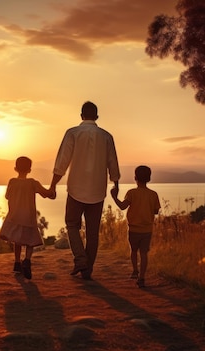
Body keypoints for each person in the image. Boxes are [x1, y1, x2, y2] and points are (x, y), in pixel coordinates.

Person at [49, 101, 120, 280]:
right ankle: (87, 270)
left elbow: (62, 162)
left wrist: (53, 184)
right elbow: (113, 162)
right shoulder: (106, 136)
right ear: (96, 116)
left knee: (72, 224)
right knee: (92, 232)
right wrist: (116, 183)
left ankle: (80, 259)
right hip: (97, 190)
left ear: (81, 115)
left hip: (76, 189)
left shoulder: (72, 133)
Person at [0, 156, 53, 279]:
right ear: (29, 170)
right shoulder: (33, 183)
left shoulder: (12, 182)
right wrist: (52, 191)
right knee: (30, 241)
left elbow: (7, 196)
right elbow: (46, 193)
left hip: (15, 216)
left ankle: (17, 262)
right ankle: (27, 260)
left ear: (15, 168)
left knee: (16, 240)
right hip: (29, 217)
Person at [111, 165, 161, 288]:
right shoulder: (153, 194)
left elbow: (123, 206)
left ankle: (135, 270)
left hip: (133, 229)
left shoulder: (131, 193)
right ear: (149, 178)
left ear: (135, 178)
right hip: (147, 230)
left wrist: (114, 197)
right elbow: (155, 211)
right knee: (144, 253)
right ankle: (142, 277)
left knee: (133, 250)